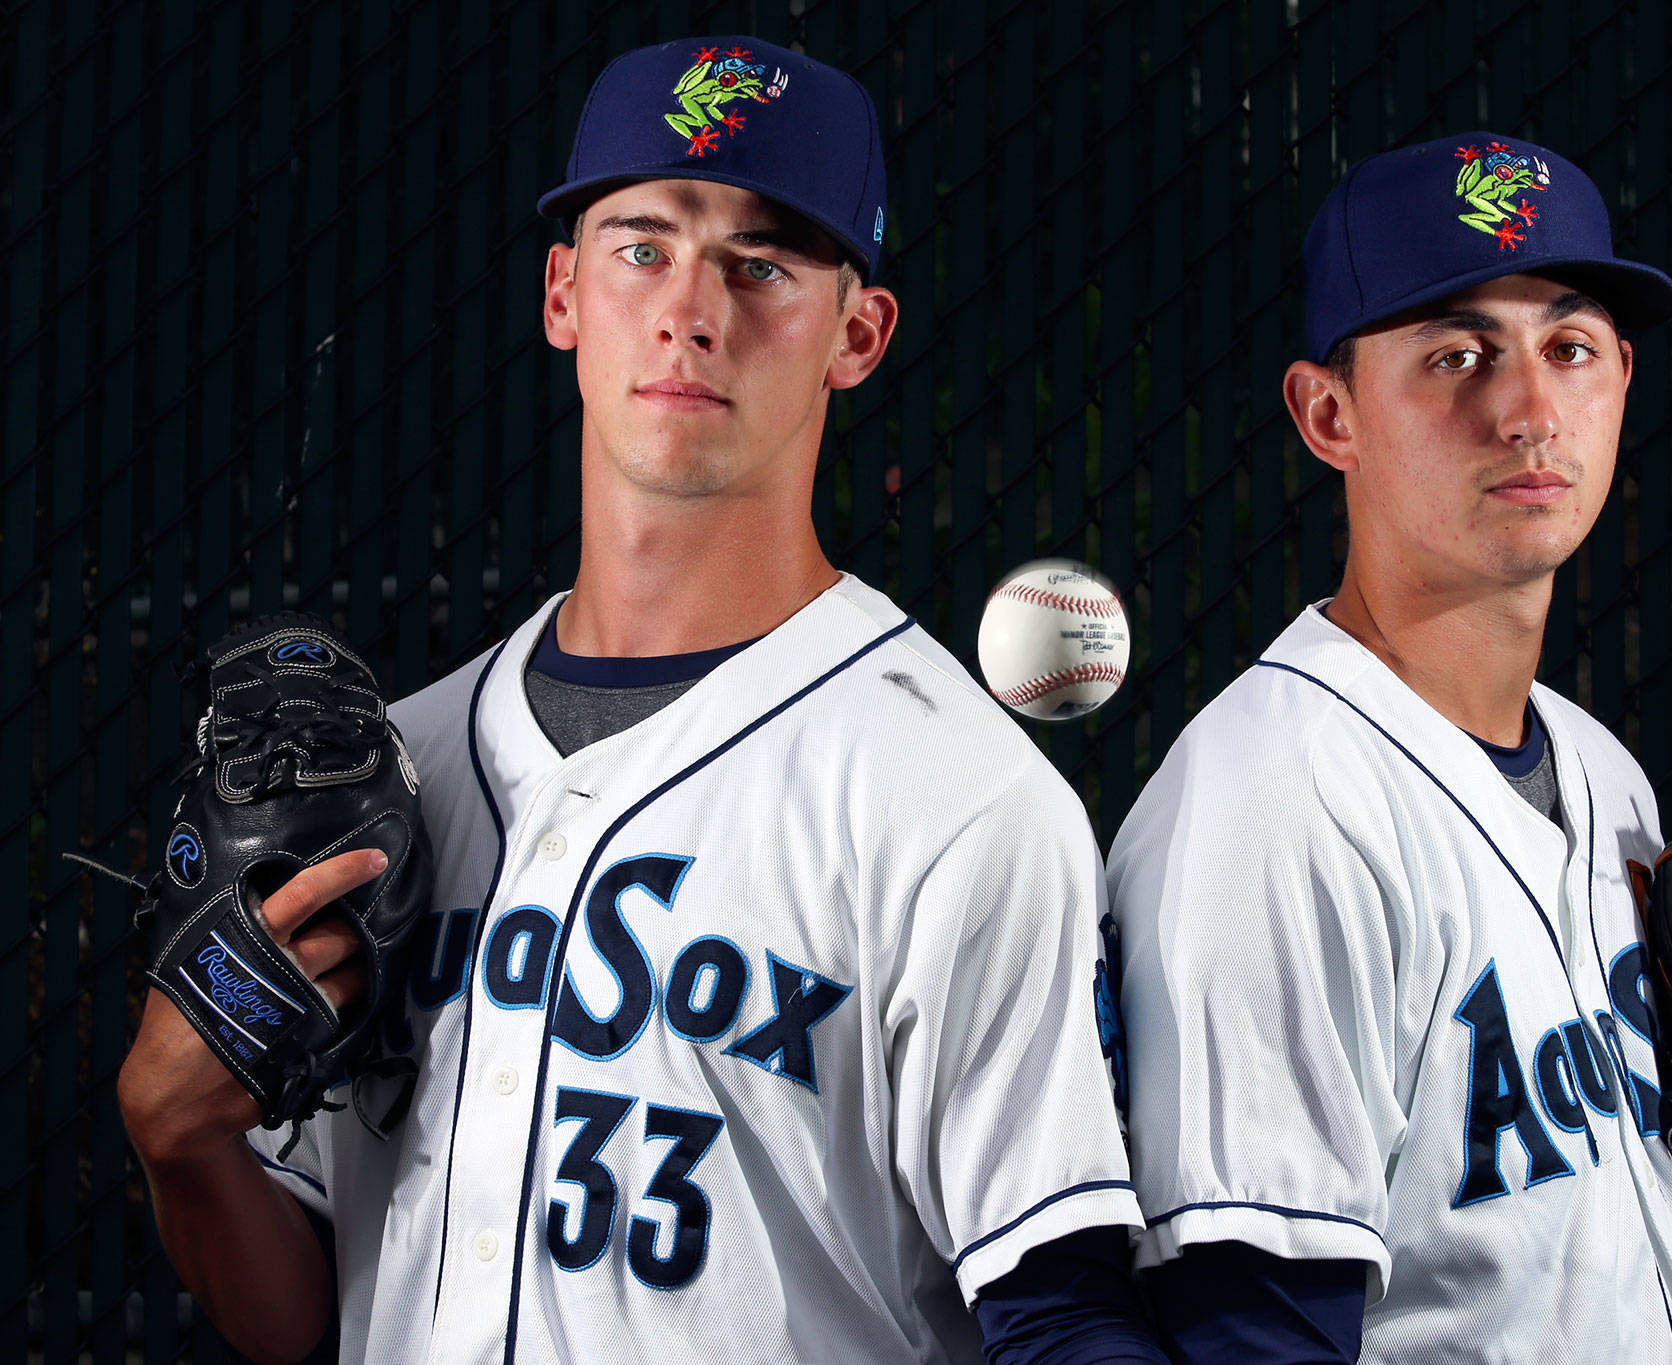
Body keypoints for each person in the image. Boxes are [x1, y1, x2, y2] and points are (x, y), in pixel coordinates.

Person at [118, 37, 1166, 1364]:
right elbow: (318, 1307)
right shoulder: (412, 763)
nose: (693, 309)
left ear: (859, 333)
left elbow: (1063, 1312)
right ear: (563, 293)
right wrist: (182, 1145)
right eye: (641, 246)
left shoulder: (958, 797)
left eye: (763, 262)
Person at [1106, 133, 1672, 1361]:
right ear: (1329, 413)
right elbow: (1251, 1338)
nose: (1528, 409)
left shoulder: (1600, 772)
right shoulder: (1272, 811)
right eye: (1455, 354)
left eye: (1567, 349)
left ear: (1621, 380)